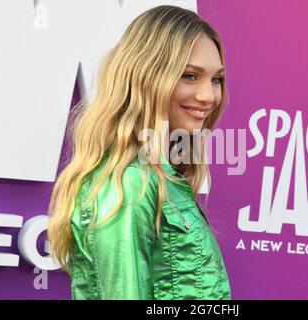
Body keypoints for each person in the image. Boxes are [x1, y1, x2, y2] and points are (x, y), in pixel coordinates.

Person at [48, 5, 231, 300]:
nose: (208, 96)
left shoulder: (162, 178)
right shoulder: (130, 184)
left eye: (216, 79)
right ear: (146, 77)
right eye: (189, 76)